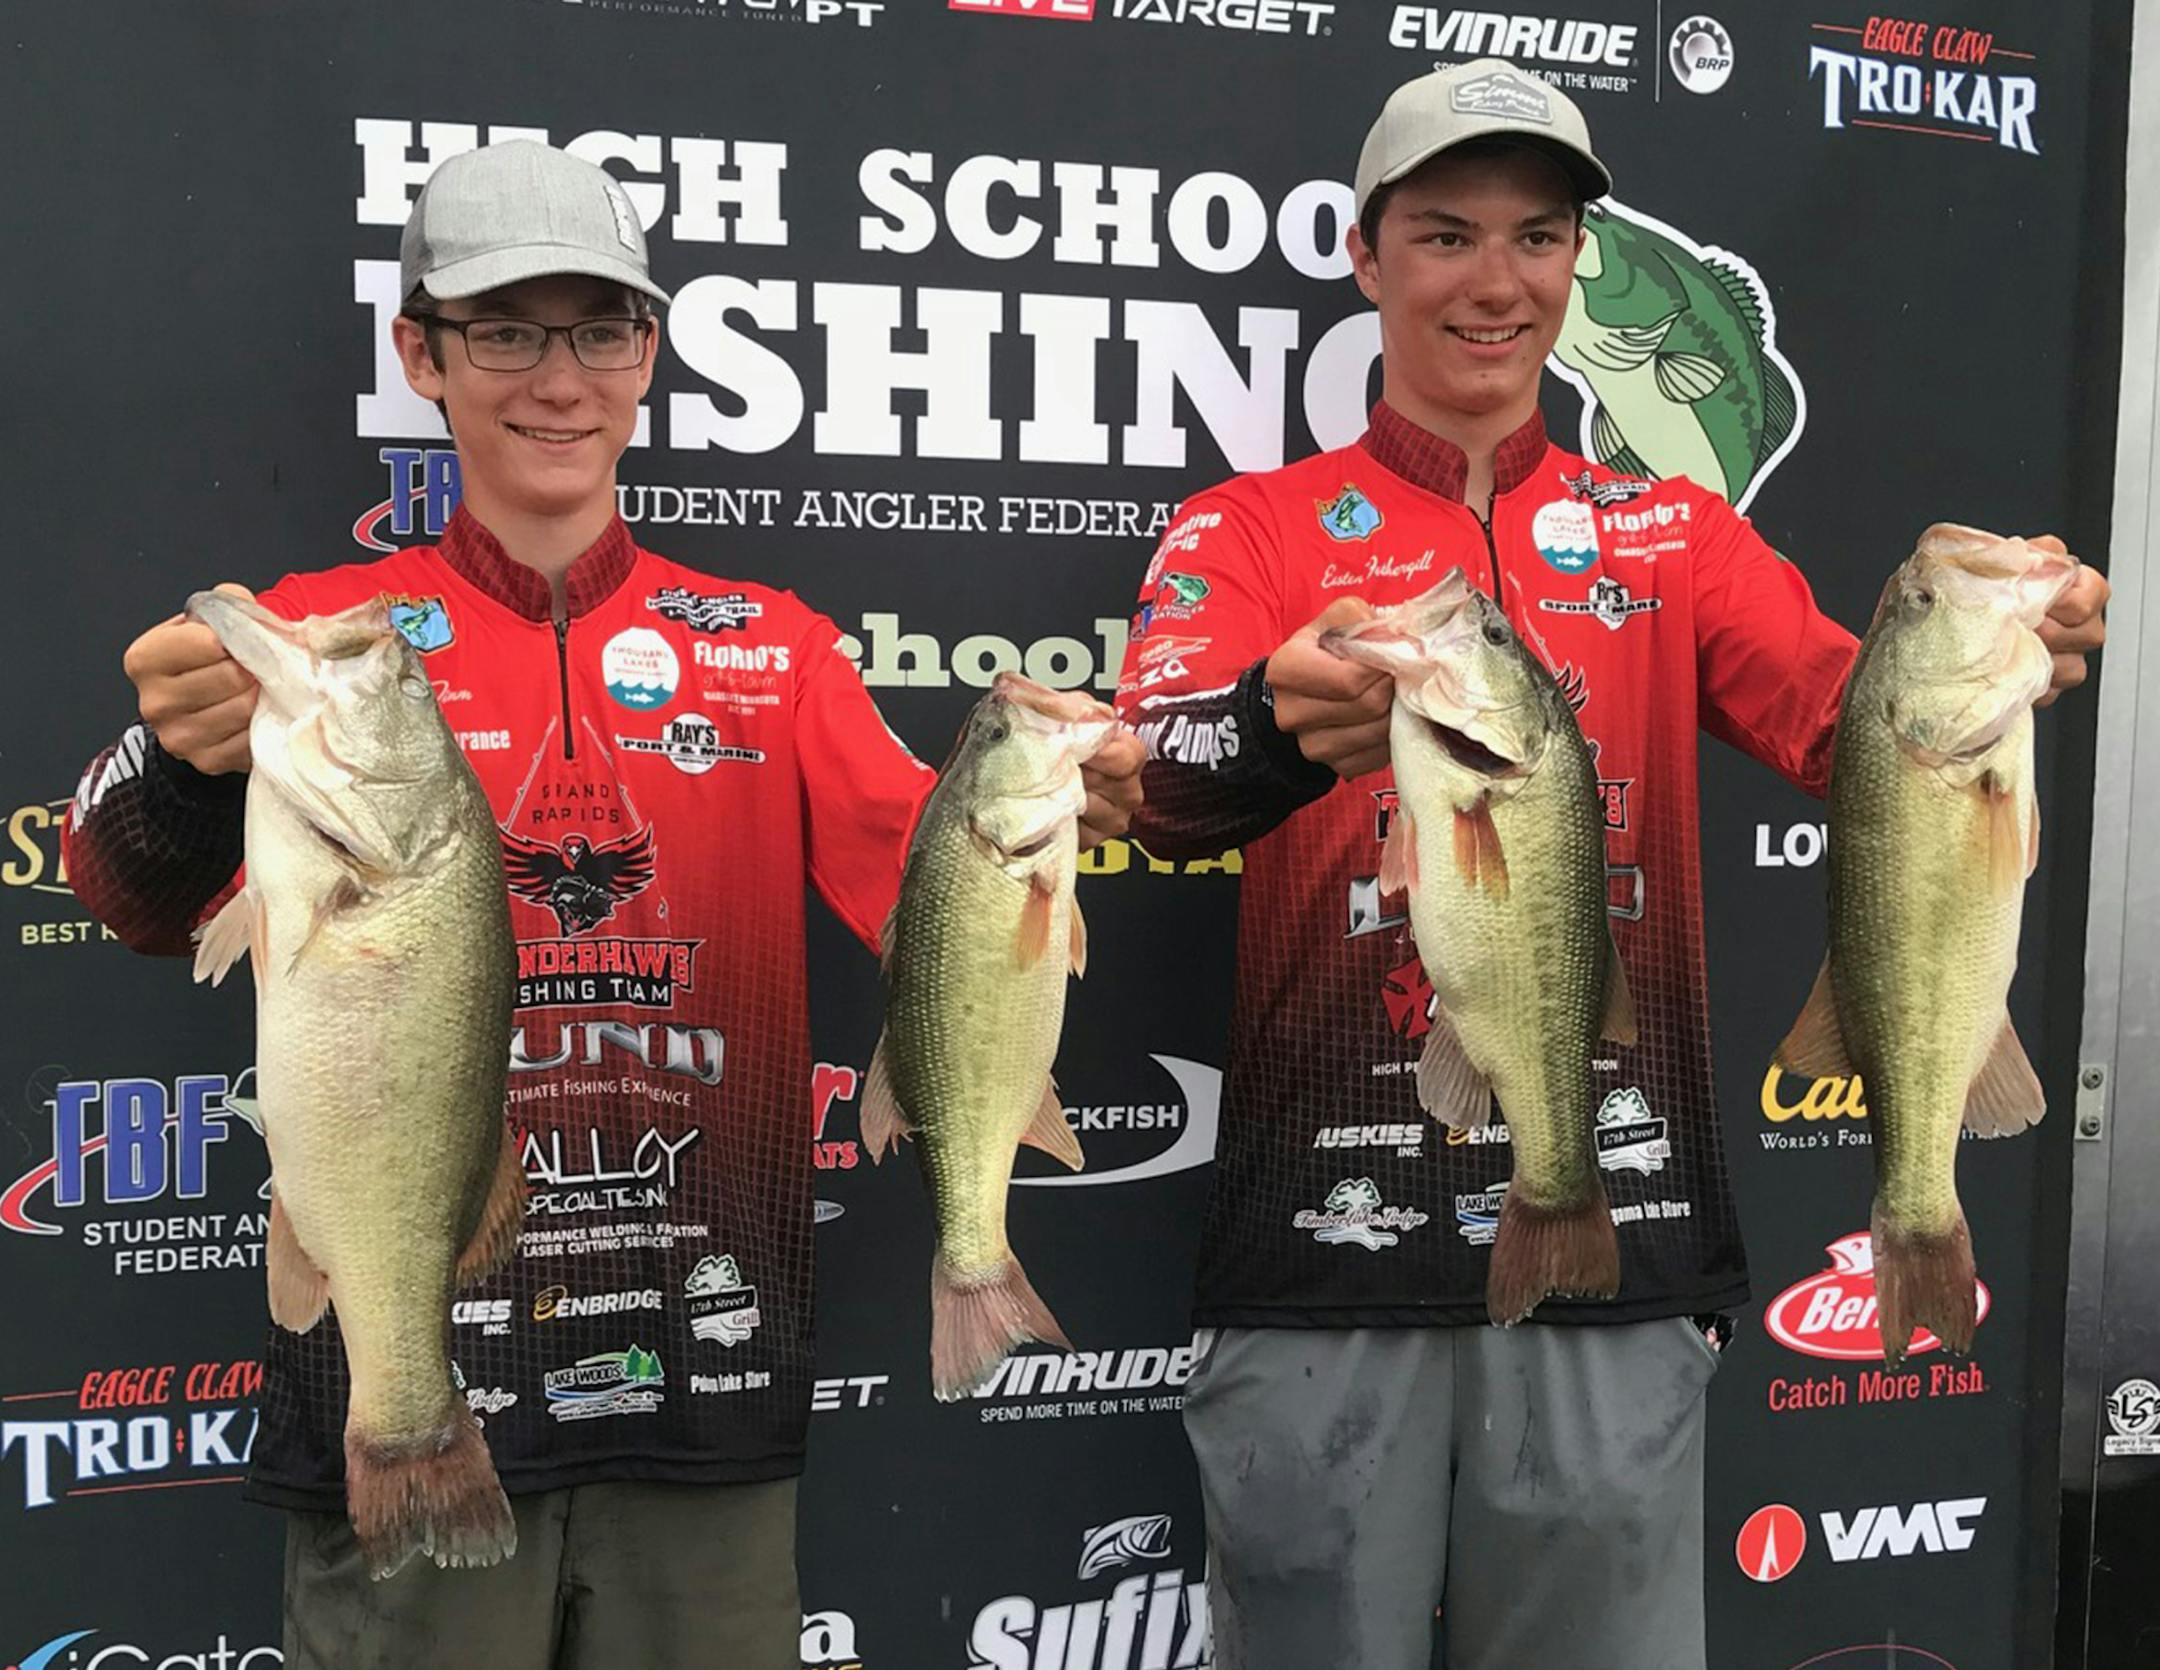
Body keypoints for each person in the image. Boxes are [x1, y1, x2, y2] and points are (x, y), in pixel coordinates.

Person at [62, 139, 1143, 1670]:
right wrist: (174, 772)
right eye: (505, 329)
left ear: (648, 352)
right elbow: (118, 892)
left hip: (703, 1387)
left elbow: (944, 896)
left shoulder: (774, 649)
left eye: (600, 328)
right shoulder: (314, 645)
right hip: (399, 1379)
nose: (557, 378)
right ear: (419, 353)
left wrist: (1072, 798)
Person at [1112, 59, 2107, 1670]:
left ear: (1580, 260)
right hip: (1320, 1263)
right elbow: (1150, 786)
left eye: (1538, 235)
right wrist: (1273, 725)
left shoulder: (1674, 538)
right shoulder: (1250, 534)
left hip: (1618, 1255)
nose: (1494, 281)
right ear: (1366, 257)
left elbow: (1847, 728)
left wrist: (2008, 650)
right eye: (1444, 235)